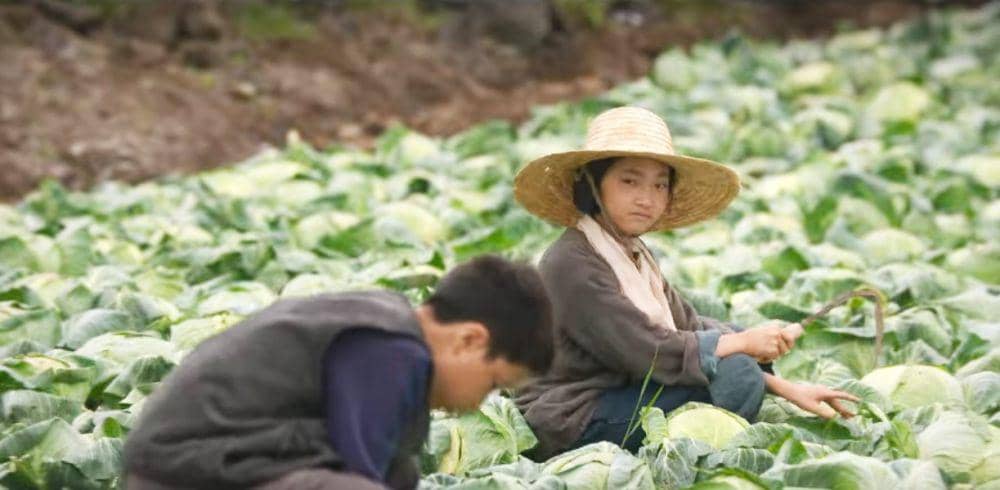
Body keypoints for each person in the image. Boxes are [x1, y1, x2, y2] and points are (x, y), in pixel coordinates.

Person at [511, 106, 858, 459]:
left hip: (620, 391)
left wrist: (788, 388)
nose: (647, 199)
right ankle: (686, 458)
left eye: (660, 185)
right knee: (737, 371)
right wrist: (743, 345)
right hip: (572, 416)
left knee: (731, 341)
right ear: (592, 183)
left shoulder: (633, 253)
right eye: (629, 181)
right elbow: (647, 350)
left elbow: (686, 325)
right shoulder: (571, 262)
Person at [123, 255, 554, 490]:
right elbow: (358, 472)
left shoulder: (389, 331)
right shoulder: (391, 348)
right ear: (468, 341)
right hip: (176, 476)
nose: (481, 402)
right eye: (493, 383)